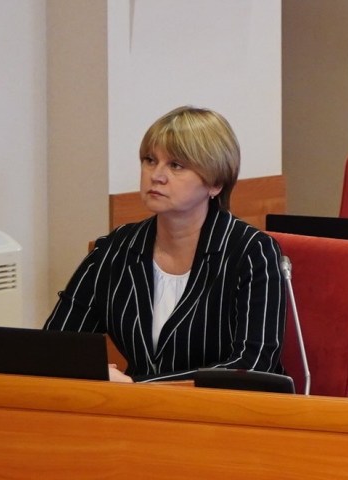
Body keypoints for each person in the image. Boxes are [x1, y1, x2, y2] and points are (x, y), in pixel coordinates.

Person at [44, 105, 286, 383]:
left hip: (227, 406)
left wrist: (137, 386)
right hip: (138, 406)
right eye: (150, 160)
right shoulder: (114, 250)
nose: (156, 175)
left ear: (215, 184)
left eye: (176, 165)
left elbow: (252, 366)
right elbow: (56, 346)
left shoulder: (252, 252)